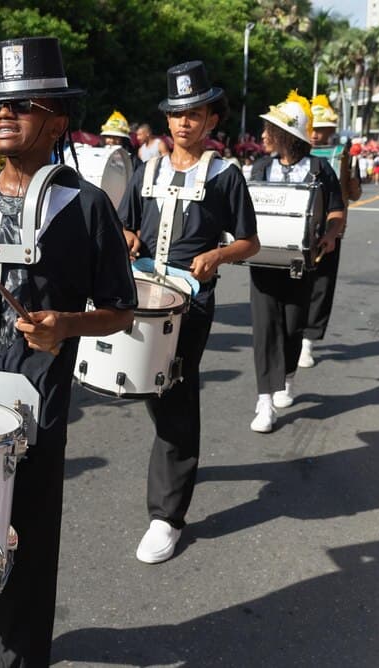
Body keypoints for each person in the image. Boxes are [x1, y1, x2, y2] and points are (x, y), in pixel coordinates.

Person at [0, 37, 137, 666]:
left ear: (59, 121)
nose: (4, 116)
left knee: (28, 541)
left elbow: (121, 310)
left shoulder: (87, 206)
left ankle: (19, 645)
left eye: (25, 104)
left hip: (34, 398)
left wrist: (65, 325)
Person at [120, 61, 260, 562]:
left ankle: (167, 515)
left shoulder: (225, 176)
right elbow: (126, 228)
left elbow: (250, 241)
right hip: (141, 298)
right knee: (150, 393)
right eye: (177, 114)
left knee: (176, 398)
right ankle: (174, 463)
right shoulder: (146, 169)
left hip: (191, 305)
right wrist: (128, 235)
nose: (184, 123)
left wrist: (219, 254)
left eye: (194, 114)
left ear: (211, 121)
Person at [247, 92, 344, 433]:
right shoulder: (259, 167)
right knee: (264, 330)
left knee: (291, 327)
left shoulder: (320, 168)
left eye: (268, 130)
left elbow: (336, 211)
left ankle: (287, 375)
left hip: (300, 265)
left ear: (285, 135)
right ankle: (264, 402)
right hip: (262, 262)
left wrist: (331, 234)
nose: (262, 137)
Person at [300, 95, 361, 368]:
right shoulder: (295, 153)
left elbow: (355, 193)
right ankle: (294, 334)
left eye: (320, 128)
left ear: (330, 131)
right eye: (311, 127)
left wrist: (350, 173)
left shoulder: (342, 155)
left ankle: (308, 342)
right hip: (298, 229)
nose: (314, 134)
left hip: (329, 231)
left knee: (321, 287)